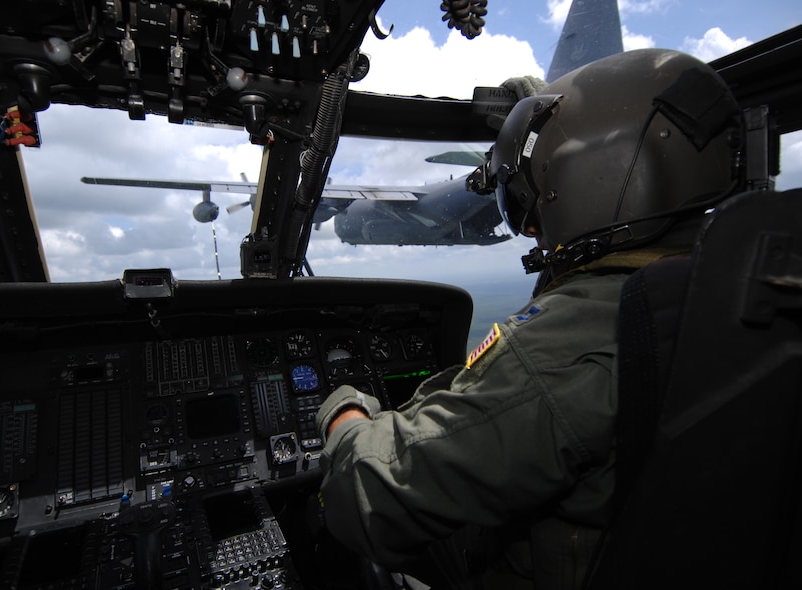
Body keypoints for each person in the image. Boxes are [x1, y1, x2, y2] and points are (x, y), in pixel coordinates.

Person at [314, 48, 746, 589]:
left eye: (536, 191)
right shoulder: (734, 286)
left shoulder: (564, 352)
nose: (533, 221)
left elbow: (369, 500)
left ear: (588, 178)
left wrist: (344, 414)